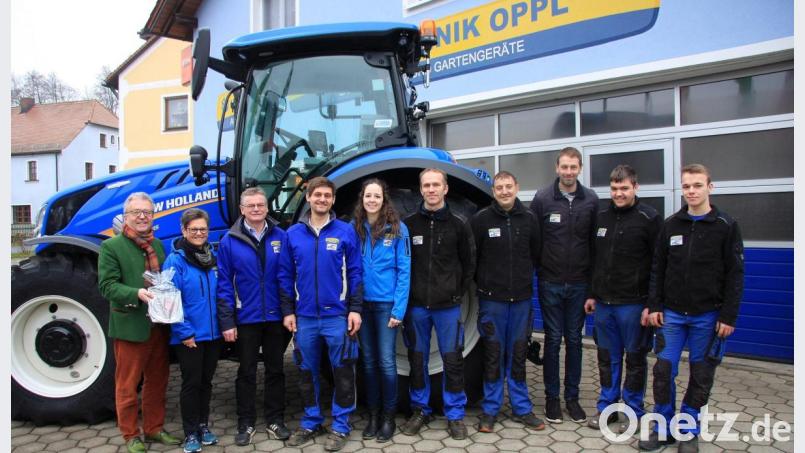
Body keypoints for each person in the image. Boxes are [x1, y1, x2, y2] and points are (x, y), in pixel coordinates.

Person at [639, 164, 744, 453]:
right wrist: (654, 305)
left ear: (710, 187)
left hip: (707, 316)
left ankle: (688, 430)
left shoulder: (726, 226)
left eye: (697, 185)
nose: (692, 191)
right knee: (663, 371)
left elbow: (735, 273)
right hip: (671, 314)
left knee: (701, 375)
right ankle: (663, 428)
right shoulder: (671, 225)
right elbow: (657, 268)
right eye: (686, 186)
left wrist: (728, 315)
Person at [280, 176, 363, 452]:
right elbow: (285, 275)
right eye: (318, 195)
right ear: (308, 198)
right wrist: (288, 311)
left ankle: (340, 425)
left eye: (327, 195)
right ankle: (311, 420)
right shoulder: (293, 234)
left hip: (337, 317)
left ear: (333, 200)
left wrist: (355, 309)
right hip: (304, 318)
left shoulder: (345, 231)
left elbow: (355, 272)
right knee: (306, 372)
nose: (322, 200)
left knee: (342, 372)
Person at [98, 192, 182, 453]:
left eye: (147, 212)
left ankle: (154, 429)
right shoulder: (112, 247)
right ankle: (130, 434)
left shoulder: (156, 245)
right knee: (127, 384)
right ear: (127, 216)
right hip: (131, 324)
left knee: (158, 381)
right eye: (137, 212)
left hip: (158, 325)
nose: (143, 216)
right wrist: (136, 293)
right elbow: (107, 286)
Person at [583, 165, 661, 433]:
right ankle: (608, 407)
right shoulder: (602, 217)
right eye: (615, 189)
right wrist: (592, 294)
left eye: (624, 188)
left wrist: (652, 303)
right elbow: (595, 259)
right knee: (607, 358)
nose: (619, 193)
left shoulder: (649, 218)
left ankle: (634, 410)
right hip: (604, 304)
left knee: (635, 359)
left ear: (635, 187)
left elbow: (657, 266)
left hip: (634, 305)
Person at [400, 168, 475, 440]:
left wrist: (455, 292)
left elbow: (469, 265)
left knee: (452, 360)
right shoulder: (408, 225)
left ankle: (454, 414)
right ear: (420, 190)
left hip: (448, 307)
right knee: (417, 360)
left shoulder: (459, 224)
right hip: (417, 307)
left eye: (436, 185)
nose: (431, 190)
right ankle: (420, 409)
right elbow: (402, 265)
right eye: (426, 185)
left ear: (445, 189)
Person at [470, 171, 545, 433]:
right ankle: (490, 410)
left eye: (508, 186)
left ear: (517, 188)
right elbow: (473, 259)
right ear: (493, 191)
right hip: (492, 302)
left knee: (518, 354)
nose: (504, 191)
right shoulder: (480, 221)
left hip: (522, 300)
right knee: (493, 355)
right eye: (499, 187)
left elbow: (535, 255)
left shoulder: (530, 220)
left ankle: (522, 408)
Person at [216, 187, 292, 446]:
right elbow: (224, 283)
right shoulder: (229, 241)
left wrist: (288, 312)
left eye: (260, 205)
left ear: (267, 208)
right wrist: (227, 321)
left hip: (274, 318)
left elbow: (286, 279)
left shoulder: (281, 237)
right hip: (245, 318)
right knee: (246, 372)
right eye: (251, 205)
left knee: (275, 371)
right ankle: (245, 422)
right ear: (242, 209)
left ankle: (275, 420)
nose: (257, 209)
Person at [529, 146, 598, 424]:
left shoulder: (591, 201)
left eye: (573, 167)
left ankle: (572, 399)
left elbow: (595, 246)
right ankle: (552, 400)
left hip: (580, 284)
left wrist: (593, 288)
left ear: (579, 168)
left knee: (575, 342)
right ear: (557, 168)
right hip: (551, 283)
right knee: (553, 341)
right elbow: (534, 240)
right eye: (564, 167)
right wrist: (540, 273)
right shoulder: (543, 199)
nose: (568, 172)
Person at [352, 178, 411, 442]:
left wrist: (399, 309)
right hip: (362, 306)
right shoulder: (354, 229)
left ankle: (389, 417)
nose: (372, 200)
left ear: (383, 199)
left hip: (387, 305)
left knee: (387, 362)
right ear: (362, 200)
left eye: (377, 196)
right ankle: (373, 416)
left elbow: (404, 271)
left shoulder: (398, 229)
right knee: (368, 362)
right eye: (368, 196)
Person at [163, 208, 222, 453]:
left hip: (213, 334)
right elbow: (169, 299)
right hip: (189, 337)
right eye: (193, 229)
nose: (199, 233)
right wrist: (184, 332)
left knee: (206, 382)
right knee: (191, 383)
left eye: (203, 229)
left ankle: (203, 426)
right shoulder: (175, 261)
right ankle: (190, 434)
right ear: (184, 230)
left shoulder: (212, 257)